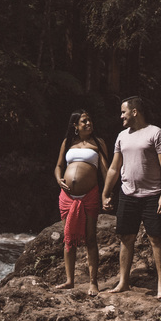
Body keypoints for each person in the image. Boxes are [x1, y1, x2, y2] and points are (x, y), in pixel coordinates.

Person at [101, 96, 161, 298]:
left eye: (123, 112)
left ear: (134, 112)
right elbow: (114, 168)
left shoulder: (156, 133)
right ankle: (123, 282)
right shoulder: (122, 136)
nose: (121, 116)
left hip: (152, 195)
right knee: (126, 237)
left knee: (155, 238)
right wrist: (105, 193)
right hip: (127, 194)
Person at [53, 110, 110, 294]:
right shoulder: (68, 142)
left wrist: (106, 194)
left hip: (89, 195)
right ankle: (70, 280)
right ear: (75, 126)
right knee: (68, 238)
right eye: (84, 121)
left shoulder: (98, 143)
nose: (88, 123)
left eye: (90, 120)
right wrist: (59, 179)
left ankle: (93, 282)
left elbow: (105, 171)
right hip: (67, 197)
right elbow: (59, 166)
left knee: (90, 238)